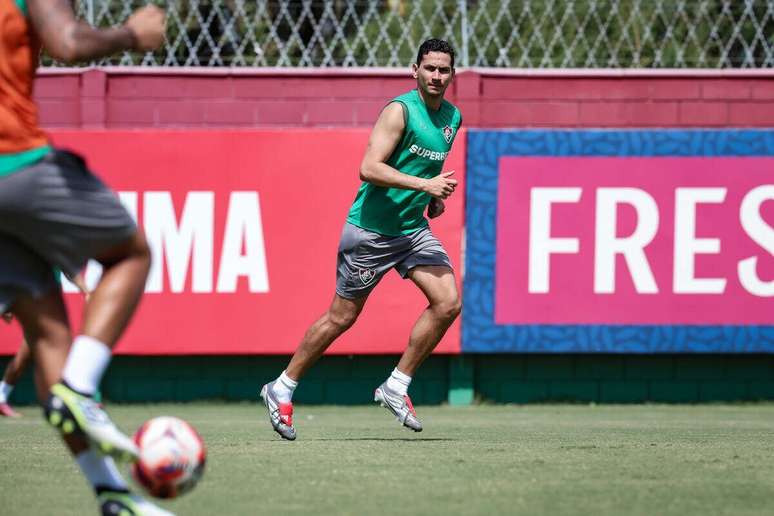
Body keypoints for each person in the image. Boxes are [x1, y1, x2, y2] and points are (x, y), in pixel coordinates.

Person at [0, 1, 170, 514]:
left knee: (49, 334)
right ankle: (80, 386)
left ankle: (111, 493)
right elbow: (69, 43)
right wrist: (130, 35)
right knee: (131, 252)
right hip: (15, 161)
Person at [260, 38, 462, 440]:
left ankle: (397, 385)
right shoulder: (399, 111)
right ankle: (281, 386)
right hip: (370, 233)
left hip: (411, 232)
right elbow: (369, 168)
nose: (437, 76)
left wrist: (429, 200)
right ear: (415, 71)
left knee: (448, 302)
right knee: (342, 317)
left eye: (444, 70)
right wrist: (425, 183)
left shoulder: (452, 117)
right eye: (430, 68)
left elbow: (419, 170)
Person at [0, 271, 89, 418]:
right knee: (55, 346)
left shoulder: (51, 253)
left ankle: (2, 396)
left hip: (44, 303)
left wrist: (85, 290)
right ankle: (71, 400)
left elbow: (67, 269)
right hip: (32, 301)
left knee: (26, 354)